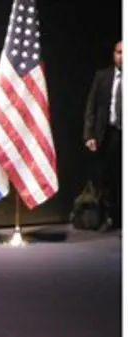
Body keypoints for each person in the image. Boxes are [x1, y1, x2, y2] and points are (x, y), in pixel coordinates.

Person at [84, 40, 122, 230]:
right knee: (107, 178)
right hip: (108, 133)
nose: (122, 56)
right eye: (119, 52)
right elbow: (91, 106)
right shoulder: (103, 76)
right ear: (114, 54)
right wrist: (89, 134)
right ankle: (110, 217)